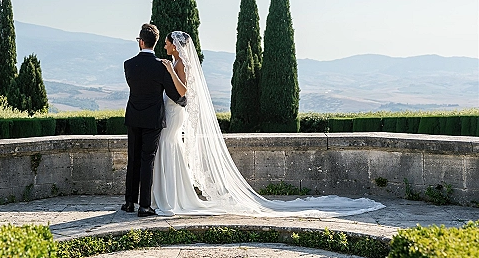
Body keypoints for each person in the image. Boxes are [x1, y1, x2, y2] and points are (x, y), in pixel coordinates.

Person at [151, 31, 385, 217]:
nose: (165, 46)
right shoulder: (174, 61)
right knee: (171, 149)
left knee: (169, 147)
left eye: (168, 43)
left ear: (176, 45)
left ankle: (172, 197)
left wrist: (170, 71)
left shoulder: (179, 64)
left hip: (173, 115)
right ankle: (173, 195)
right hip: (171, 114)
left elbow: (184, 92)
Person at [122, 24, 187, 217]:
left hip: (133, 117)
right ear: (155, 42)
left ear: (141, 42)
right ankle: (144, 206)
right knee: (147, 160)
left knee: (133, 159)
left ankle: (128, 202)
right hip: (153, 119)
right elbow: (175, 94)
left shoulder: (128, 65)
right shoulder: (161, 66)